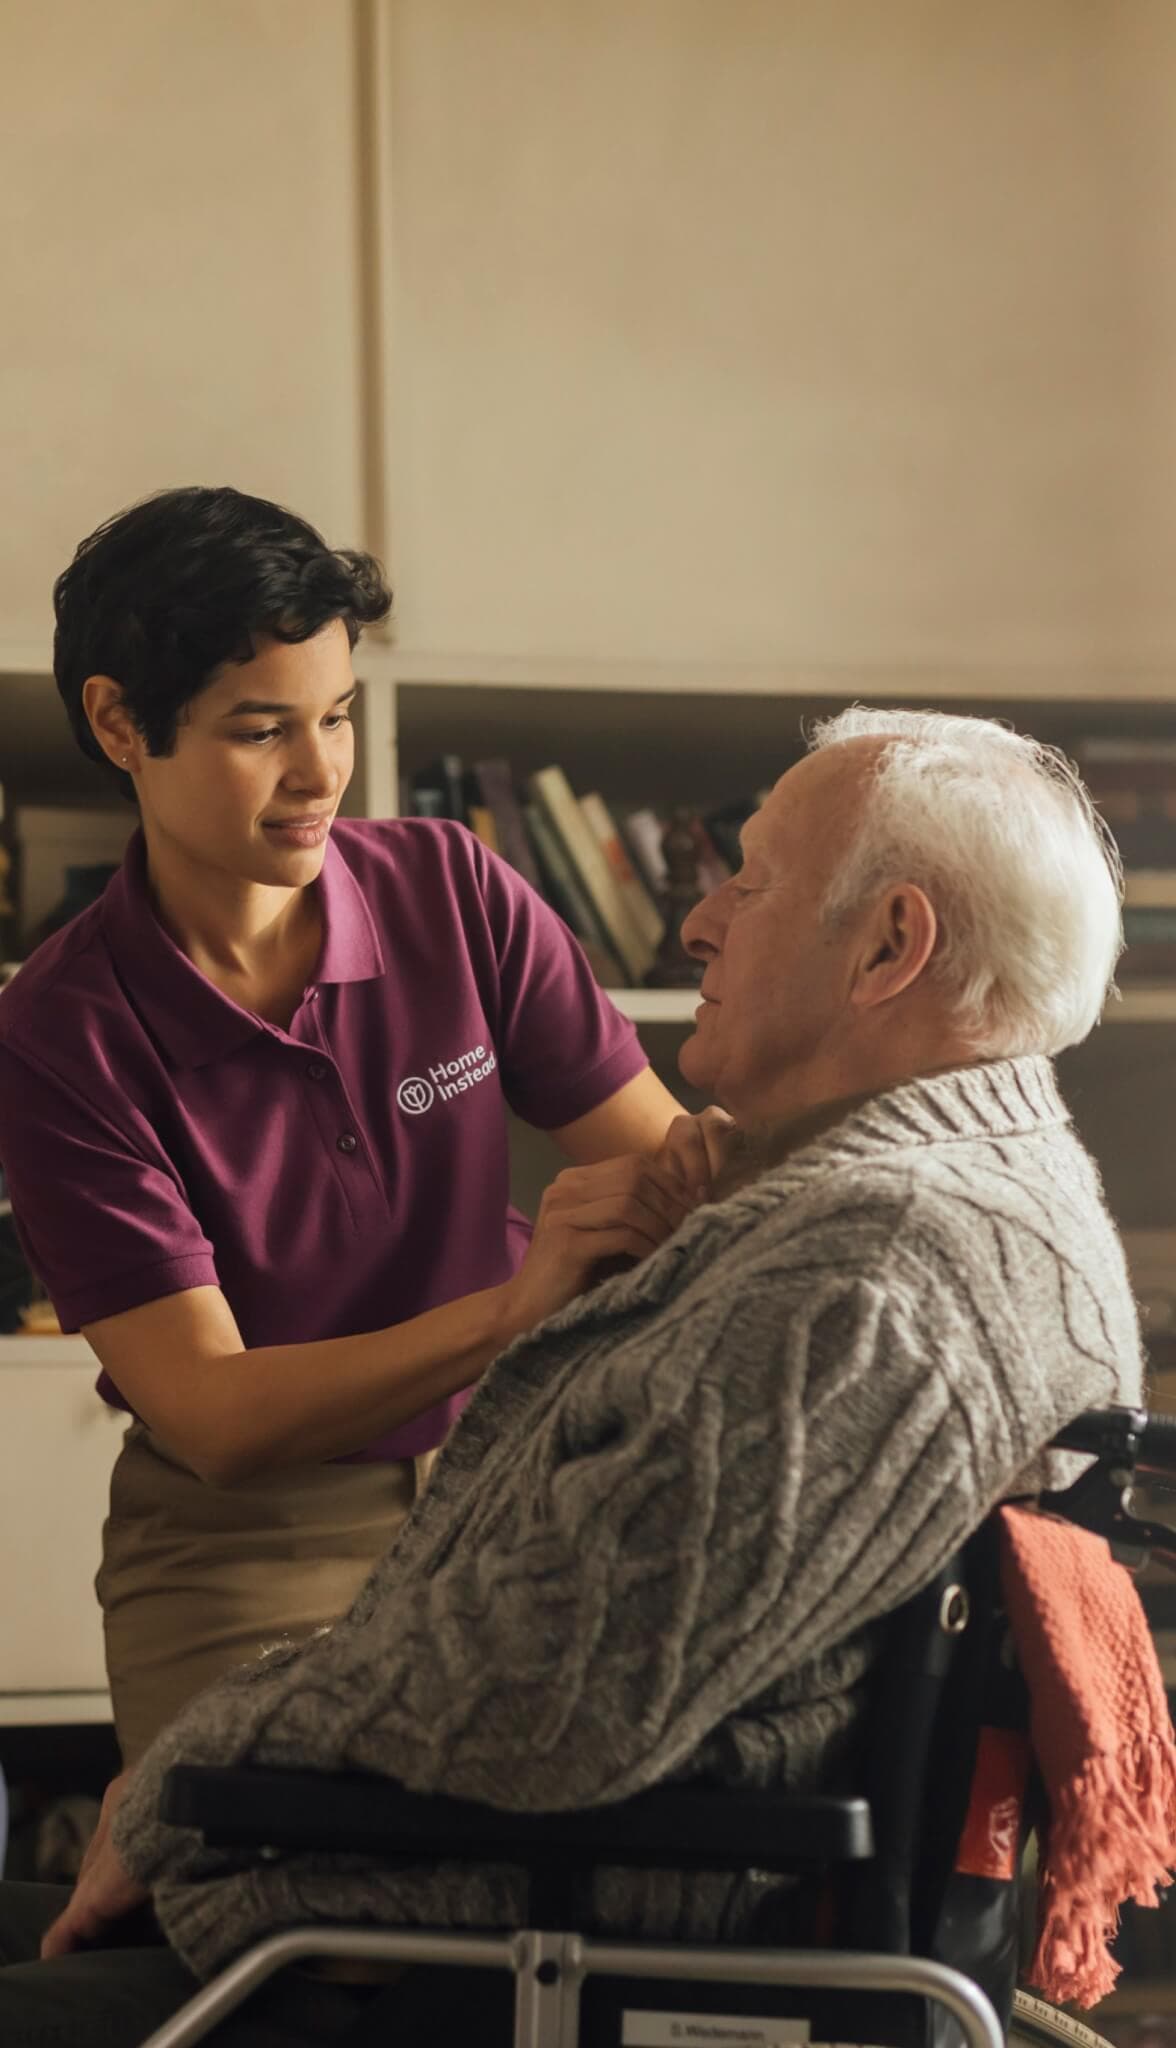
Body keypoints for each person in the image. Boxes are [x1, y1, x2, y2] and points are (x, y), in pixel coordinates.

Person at [0, 706, 1144, 2047]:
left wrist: (184, 1770)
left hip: (499, 1941)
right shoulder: (938, 1201)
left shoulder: (873, 1277)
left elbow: (548, 1698)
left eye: (750, 879)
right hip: (506, 1869)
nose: (696, 923)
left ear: (890, 945)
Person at [0, 487, 699, 1764]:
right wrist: (510, 1308)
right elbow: (213, 1412)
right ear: (118, 722)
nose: (324, 773)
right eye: (261, 729)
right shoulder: (62, 1033)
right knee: (281, 1931)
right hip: (251, 1537)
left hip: (519, 1474)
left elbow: (674, 1174)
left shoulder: (455, 888)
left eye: (336, 715)